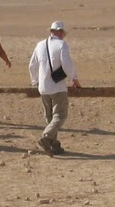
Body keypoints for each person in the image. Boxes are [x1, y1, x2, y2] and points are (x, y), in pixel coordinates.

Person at [28, 21, 80, 155]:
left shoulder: (40, 45)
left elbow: (32, 65)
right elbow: (67, 65)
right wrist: (74, 78)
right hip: (58, 87)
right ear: (60, 32)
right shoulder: (61, 44)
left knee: (49, 117)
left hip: (43, 87)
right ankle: (46, 137)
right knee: (60, 116)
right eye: (63, 33)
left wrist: (35, 81)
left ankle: (54, 145)